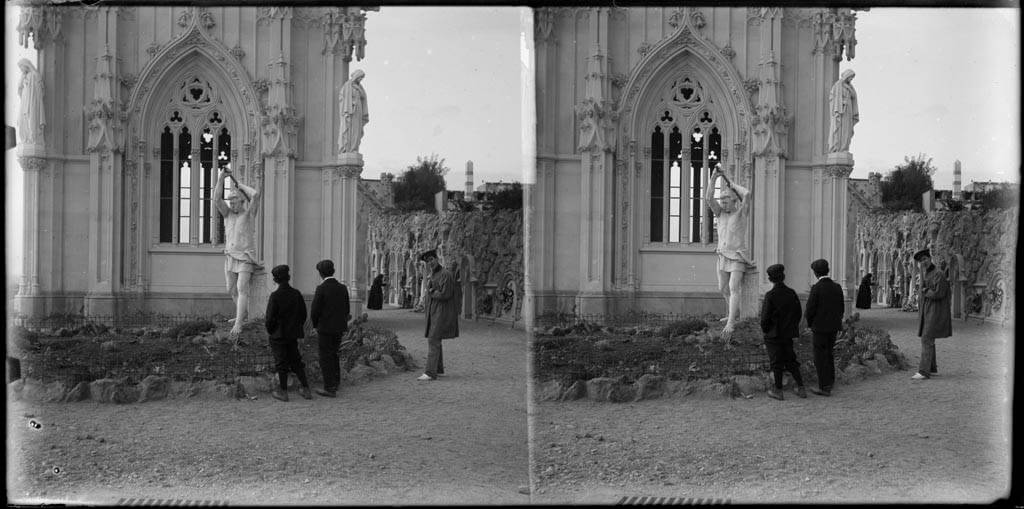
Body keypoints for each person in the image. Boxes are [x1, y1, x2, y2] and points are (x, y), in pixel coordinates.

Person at [703, 166, 752, 337]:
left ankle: (731, 322)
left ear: (733, 201)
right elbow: (708, 198)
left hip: (737, 256)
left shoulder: (741, 213)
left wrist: (732, 184)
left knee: (733, 287)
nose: (722, 203)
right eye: (721, 200)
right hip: (722, 255)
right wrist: (714, 177)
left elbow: (746, 194)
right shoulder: (720, 214)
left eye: (726, 200)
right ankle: (732, 314)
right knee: (722, 288)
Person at [214, 168, 262, 336]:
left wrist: (240, 185)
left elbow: (255, 195)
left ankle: (239, 324)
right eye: (231, 201)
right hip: (230, 256)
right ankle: (242, 314)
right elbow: (216, 199)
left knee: (242, 288)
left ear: (242, 201)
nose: (231, 204)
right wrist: (221, 178)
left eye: (234, 201)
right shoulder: (227, 215)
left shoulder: (249, 215)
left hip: (245, 257)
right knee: (231, 289)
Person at [759, 264, 807, 400]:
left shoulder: (770, 295)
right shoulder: (791, 293)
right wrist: (792, 327)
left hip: (773, 335)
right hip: (788, 333)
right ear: (783, 277)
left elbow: (764, 318)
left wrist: (766, 330)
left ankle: (778, 390)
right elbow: (798, 313)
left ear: (770, 279)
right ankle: (801, 387)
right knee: (791, 360)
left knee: (776, 362)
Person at [265, 265, 312, 402]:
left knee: (281, 362)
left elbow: (269, 318)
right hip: (293, 334)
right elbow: (303, 314)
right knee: (296, 361)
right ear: (288, 277)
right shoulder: (296, 294)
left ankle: (283, 391)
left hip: (278, 335)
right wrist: (296, 327)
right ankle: (306, 388)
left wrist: (271, 330)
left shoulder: (275, 296)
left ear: (275, 279)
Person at [310, 259, 350, 397]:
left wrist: (315, 325)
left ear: (320, 273)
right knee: (335, 354)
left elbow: (315, 310)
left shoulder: (321, 288)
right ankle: (336, 382)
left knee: (325, 357)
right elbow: (346, 308)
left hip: (325, 328)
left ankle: (329, 387)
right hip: (338, 327)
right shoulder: (342, 288)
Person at [805, 259, 845, 397]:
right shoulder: (837, 287)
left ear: (816, 273)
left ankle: (824, 386)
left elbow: (810, 309)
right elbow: (841, 307)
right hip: (833, 327)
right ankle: (831, 380)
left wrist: (810, 324)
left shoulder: (816, 288)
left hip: (820, 328)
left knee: (820, 357)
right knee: (829, 353)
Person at [418, 249, 459, 381]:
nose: (430, 263)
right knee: (436, 339)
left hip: (441, 312)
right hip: (434, 312)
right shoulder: (434, 274)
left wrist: (431, 292)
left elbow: (445, 294)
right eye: (427, 261)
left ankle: (430, 372)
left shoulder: (445, 274)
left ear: (437, 259)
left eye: (431, 260)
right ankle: (439, 369)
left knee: (433, 339)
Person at [912, 249, 952, 380]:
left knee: (927, 338)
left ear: (930, 258)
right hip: (927, 310)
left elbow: (939, 293)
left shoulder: (938, 274)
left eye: (925, 259)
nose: (923, 262)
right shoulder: (927, 273)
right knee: (929, 338)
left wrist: (925, 290)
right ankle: (931, 367)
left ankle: (923, 371)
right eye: (921, 261)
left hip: (935, 311)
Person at [827, 69, 858, 153]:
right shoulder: (838, 85)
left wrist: (849, 90)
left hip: (848, 110)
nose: (851, 79)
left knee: (847, 130)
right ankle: (837, 148)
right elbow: (832, 98)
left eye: (852, 78)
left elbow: (854, 96)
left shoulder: (850, 87)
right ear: (847, 76)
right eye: (851, 77)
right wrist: (840, 103)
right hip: (840, 111)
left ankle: (844, 148)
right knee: (839, 128)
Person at [337, 69, 368, 154]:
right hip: (350, 111)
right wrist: (350, 103)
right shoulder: (347, 85)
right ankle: (348, 148)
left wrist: (359, 90)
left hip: (358, 110)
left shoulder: (360, 87)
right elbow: (342, 98)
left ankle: (354, 148)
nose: (361, 80)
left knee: (356, 130)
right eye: (360, 77)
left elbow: (363, 97)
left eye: (362, 78)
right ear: (356, 76)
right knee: (349, 129)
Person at [17, 58, 45, 149]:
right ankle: (26, 139)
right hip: (25, 102)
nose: (21, 70)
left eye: (21, 67)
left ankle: (33, 139)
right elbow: (20, 90)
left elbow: (40, 90)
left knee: (32, 120)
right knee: (23, 121)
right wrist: (22, 80)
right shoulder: (25, 76)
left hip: (32, 101)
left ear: (26, 65)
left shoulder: (34, 75)